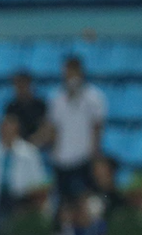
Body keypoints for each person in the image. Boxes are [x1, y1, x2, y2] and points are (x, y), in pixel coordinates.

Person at [43, 53, 106, 205]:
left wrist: (94, 154)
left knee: (85, 201)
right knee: (64, 202)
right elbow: (52, 128)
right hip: (61, 159)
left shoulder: (94, 97)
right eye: (67, 71)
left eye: (73, 71)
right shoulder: (56, 98)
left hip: (83, 157)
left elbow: (97, 127)